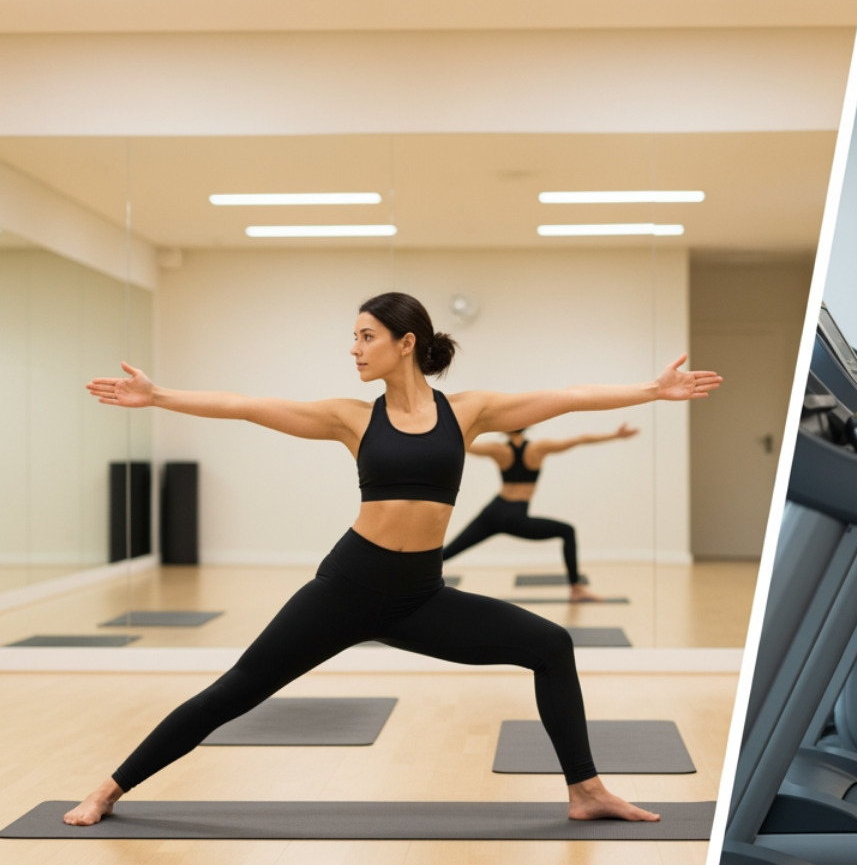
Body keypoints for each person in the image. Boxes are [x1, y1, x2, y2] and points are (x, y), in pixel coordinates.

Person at [64, 292, 721, 826]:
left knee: (550, 643)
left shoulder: (468, 413)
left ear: (407, 342)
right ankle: (109, 789)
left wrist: (651, 390)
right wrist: (160, 398)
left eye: (366, 336)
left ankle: (586, 790)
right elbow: (247, 408)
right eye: (353, 338)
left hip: (420, 597)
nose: (354, 349)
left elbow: (571, 397)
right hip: (347, 586)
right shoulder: (351, 419)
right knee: (235, 693)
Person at [444, 423, 639, 602]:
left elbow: (460, 444)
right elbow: (580, 439)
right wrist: (615, 435)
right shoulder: (538, 449)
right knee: (567, 531)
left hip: (492, 512)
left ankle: (413, 578)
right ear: (526, 427)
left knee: (447, 552)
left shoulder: (498, 450)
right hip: (515, 516)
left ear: (505, 429)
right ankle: (576, 589)